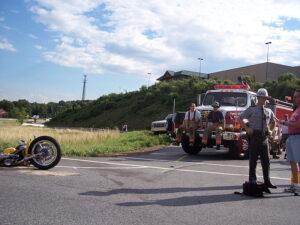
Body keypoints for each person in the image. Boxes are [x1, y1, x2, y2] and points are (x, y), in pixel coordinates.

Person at [239, 88, 277, 189]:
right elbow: (240, 118)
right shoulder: (251, 109)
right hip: (254, 136)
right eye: (262, 98)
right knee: (253, 160)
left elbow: (274, 122)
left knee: (266, 160)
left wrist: (271, 131)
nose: (264, 100)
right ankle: (252, 179)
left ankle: (267, 181)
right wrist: (247, 128)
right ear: (258, 98)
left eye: (265, 98)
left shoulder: (269, 111)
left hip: (264, 137)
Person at [280, 89, 300, 194]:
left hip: (298, 137)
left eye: (296, 97)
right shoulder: (296, 110)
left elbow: (298, 125)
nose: (294, 98)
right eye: (294, 96)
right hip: (291, 137)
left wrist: (285, 123)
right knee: (292, 163)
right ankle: (295, 185)